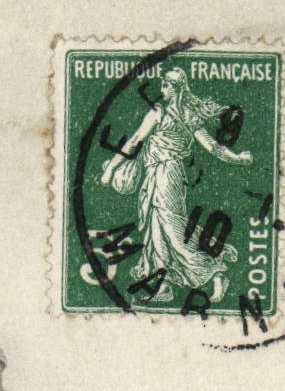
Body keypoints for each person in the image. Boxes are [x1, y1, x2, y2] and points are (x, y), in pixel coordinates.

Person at [98, 67, 253, 302]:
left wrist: (111, 169)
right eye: (163, 85)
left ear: (178, 89)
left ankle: (214, 270)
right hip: (160, 176)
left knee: (169, 227)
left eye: (167, 85)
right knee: (158, 228)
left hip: (165, 175)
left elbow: (134, 143)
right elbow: (135, 143)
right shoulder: (183, 115)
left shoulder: (162, 114)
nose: (162, 89)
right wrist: (238, 159)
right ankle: (164, 286)